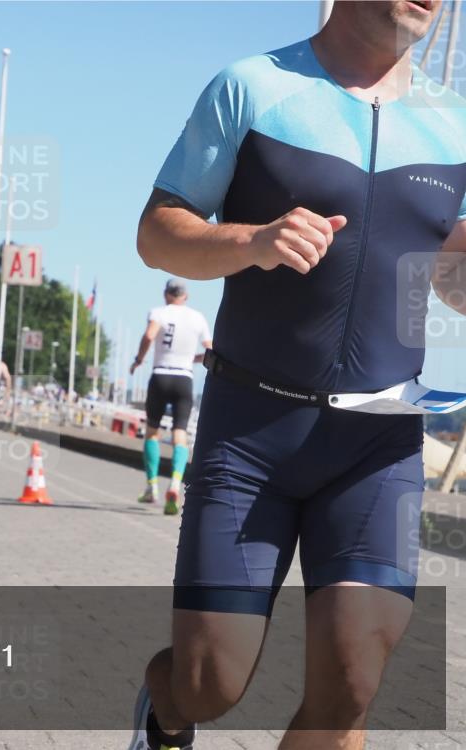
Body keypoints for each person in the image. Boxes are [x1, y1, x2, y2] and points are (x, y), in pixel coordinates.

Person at [128, 4, 465, 750]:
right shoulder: (252, 86)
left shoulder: (457, 123)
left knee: (352, 682)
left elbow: (450, 270)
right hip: (252, 435)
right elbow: (157, 233)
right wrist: (252, 239)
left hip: (379, 443)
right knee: (210, 683)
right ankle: (165, 706)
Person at [129, 278, 211, 515]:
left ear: (166, 294)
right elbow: (210, 348)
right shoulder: (197, 317)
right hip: (184, 378)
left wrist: (139, 360)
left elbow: (148, 336)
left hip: (160, 375)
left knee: (152, 432)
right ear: (185, 296)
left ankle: (151, 487)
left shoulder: (159, 312)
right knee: (180, 434)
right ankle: (175, 483)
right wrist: (191, 359)